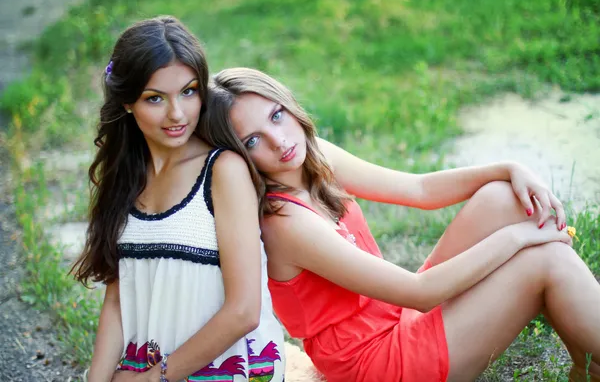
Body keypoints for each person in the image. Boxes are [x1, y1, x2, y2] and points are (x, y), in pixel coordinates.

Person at [200, 67, 600, 382]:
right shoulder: (283, 221)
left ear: (288, 105)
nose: (278, 140)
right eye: (252, 140)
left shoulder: (310, 157)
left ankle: (586, 366)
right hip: (378, 362)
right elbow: (419, 292)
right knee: (546, 260)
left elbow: (421, 190)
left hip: (396, 316)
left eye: (277, 115)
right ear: (238, 156)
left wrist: (510, 168)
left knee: (505, 196)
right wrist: (519, 240)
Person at [71, 20, 285, 382]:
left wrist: (153, 378)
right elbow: (118, 300)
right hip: (144, 369)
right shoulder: (126, 178)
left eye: (188, 92)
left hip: (223, 372)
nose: (177, 113)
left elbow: (244, 310)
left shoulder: (222, 171)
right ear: (127, 103)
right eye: (155, 98)